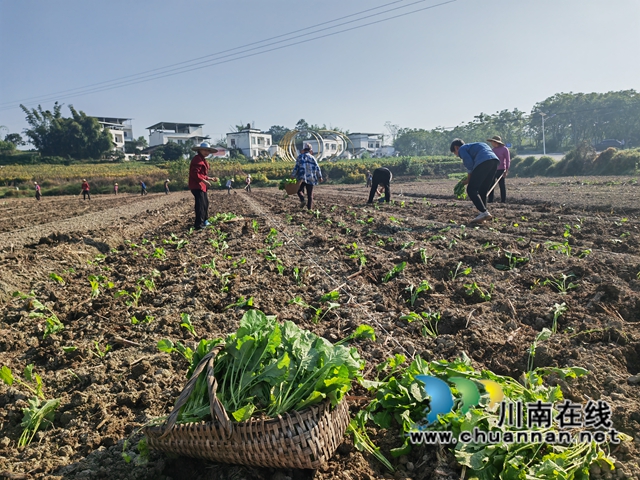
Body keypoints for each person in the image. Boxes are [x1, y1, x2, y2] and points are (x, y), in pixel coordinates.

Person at [450, 139, 499, 224]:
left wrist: (468, 180)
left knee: (471, 190)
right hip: (494, 162)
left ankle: (483, 212)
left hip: (483, 162)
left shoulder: (462, 149)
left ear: (456, 148)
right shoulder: (479, 144)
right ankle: (483, 214)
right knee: (482, 191)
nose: (457, 155)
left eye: (455, 153)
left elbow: (470, 164)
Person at [189, 142, 219, 230]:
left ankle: (205, 220)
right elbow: (195, 174)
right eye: (204, 150)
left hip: (202, 186)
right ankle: (199, 224)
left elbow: (202, 174)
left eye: (208, 150)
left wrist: (210, 178)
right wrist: (204, 181)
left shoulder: (202, 159)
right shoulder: (197, 159)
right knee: (200, 205)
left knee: (205, 203)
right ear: (199, 150)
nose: (207, 152)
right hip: (197, 186)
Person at [292, 143, 323, 209]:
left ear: (304, 150)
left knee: (298, 190)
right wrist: (320, 177)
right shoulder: (313, 158)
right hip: (311, 178)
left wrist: (293, 175)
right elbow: (317, 168)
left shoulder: (300, 157)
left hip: (301, 177)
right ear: (310, 150)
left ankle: (303, 200)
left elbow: (296, 167)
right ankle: (309, 209)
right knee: (310, 194)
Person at [486, 135, 510, 203]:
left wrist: (506, 169)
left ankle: (503, 200)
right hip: (493, 170)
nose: (492, 144)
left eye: (492, 142)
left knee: (501, 185)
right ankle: (490, 200)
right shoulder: (492, 150)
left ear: (496, 142)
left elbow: (508, 160)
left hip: (501, 169)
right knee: (491, 185)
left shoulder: (504, 149)